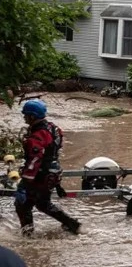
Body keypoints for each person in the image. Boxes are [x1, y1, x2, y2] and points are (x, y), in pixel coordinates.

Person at [15, 99, 81, 236]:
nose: (24, 117)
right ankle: (72, 224)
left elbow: (35, 158)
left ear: (32, 116)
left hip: (40, 175)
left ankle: (27, 236)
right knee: (43, 204)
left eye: (25, 115)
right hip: (53, 172)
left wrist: (25, 182)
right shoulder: (54, 128)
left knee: (22, 205)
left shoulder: (37, 135)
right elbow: (55, 148)